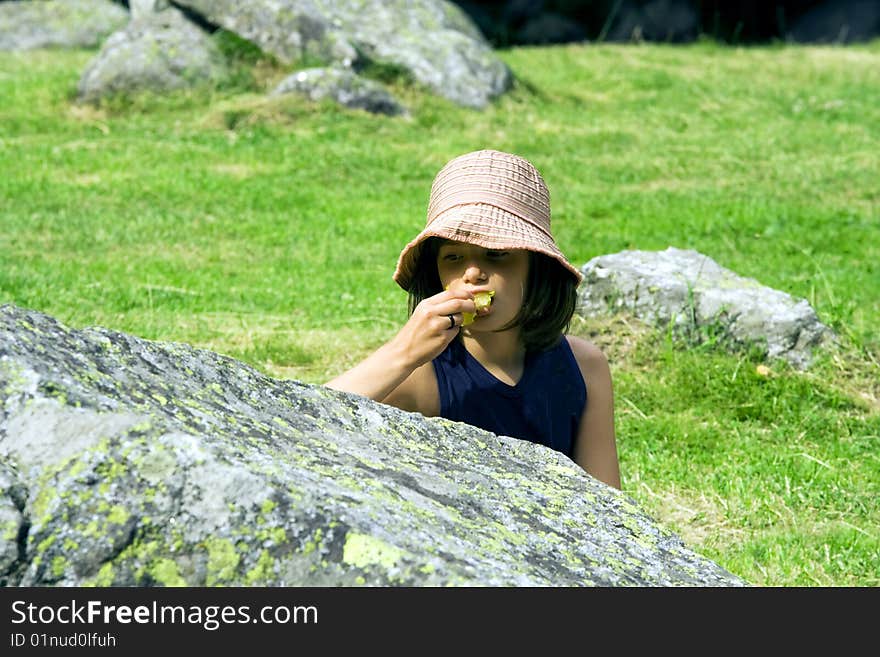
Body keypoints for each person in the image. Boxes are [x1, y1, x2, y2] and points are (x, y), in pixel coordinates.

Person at [326, 149, 620, 489]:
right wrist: (402, 353)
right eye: (453, 257)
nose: (473, 273)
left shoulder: (583, 367)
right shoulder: (421, 375)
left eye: (496, 255)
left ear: (537, 267)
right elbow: (296, 425)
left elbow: (609, 500)